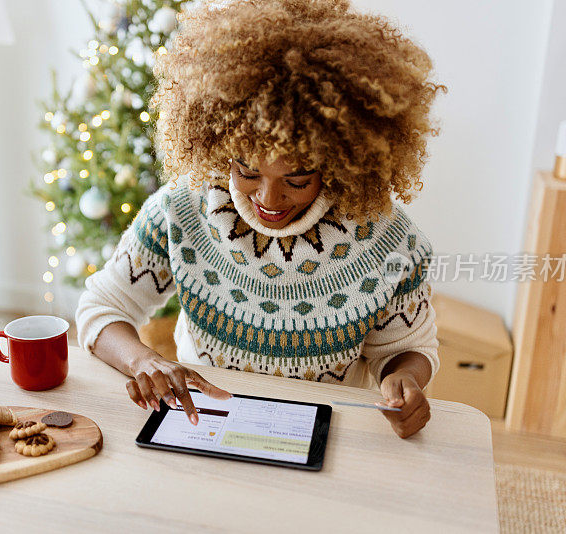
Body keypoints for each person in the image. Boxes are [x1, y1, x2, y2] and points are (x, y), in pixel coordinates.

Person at [75, 0, 448, 439]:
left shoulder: (388, 239)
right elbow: (101, 308)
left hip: (326, 436)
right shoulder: (182, 209)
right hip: (206, 425)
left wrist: (403, 379)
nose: (268, 200)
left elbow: (407, 349)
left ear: (338, 159)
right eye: (248, 171)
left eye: (297, 177)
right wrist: (143, 360)